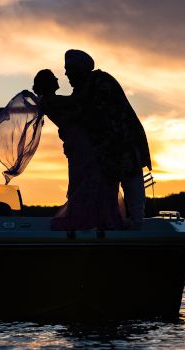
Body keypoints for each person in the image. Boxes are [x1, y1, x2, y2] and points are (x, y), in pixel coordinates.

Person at [64, 49, 152, 229]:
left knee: (132, 184)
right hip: (105, 154)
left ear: (80, 69)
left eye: (69, 69)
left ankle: (137, 224)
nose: (66, 74)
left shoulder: (101, 82)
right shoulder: (83, 89)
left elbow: (86, 113)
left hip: (124, 146)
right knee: (109, 192)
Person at [33, 69, 124, 230]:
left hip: (79, 143)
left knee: (90, 180)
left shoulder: (51, 101)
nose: (57, 78)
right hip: (80, 145)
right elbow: (78, 100)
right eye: (53, 77)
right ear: (48, 83)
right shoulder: (50, 101)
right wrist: (91, 82)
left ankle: (96, 219)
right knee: (88, 181)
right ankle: (88, 220)